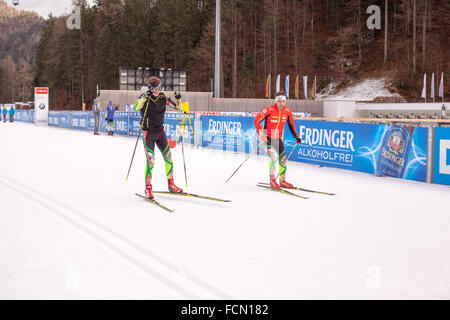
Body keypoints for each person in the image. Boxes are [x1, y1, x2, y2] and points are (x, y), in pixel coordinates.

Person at [134, 76, 184, 199]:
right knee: (151, 162)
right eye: (155, 88)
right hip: (148, 134)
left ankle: (171, 184)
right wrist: (143, 97)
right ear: (150, 89)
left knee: (169, 158)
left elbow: (178, 109)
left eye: (159, 88)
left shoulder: (162, 97)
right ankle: (148, 188)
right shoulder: (146, 97)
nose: (158, 91)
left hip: (160, 132)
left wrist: (178, 100)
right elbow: (136, 108)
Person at [253, 91, 302, 189]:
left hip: (276, 138)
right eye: (279, 101)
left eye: (283, 101)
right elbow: (256, 121)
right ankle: (272, 180)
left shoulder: (287, 111)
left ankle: (282, 181)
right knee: (274, 156)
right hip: (266, 138)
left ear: (285, 101)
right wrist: (262, 134)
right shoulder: (268, 110)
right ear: (276, 101)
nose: (281, 103)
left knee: (283, 159)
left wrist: (296, 137)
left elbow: (291, 125)